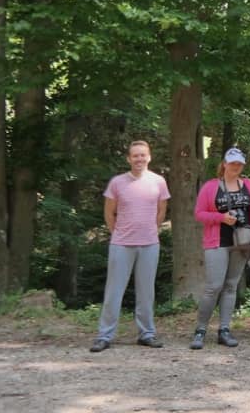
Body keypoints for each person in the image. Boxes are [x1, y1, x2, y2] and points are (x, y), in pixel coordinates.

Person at [89, 140, 170, 352]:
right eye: (135, 156)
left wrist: (153, 228)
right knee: (114, 291)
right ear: (129, 159)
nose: (139, 159)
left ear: (149, 157)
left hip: (150, 244)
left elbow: (162, 209)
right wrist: (117, 232)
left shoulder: (159, 181)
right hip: (122, 244)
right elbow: (109, 212)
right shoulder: (117, 182)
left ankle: (147, 334)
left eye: (143, 155)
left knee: (146, 292)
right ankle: (104, 336)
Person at [190, 147, 250, 349]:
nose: (235, 167)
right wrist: (220, 218)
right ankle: (200, 330)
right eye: (232, 163)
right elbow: (199, 214)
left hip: (243, 242)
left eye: (239, 164)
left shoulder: (248, 186)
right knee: (214, 286)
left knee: (231, 285)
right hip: (217, 241)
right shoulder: (210, 187)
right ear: (224, 164)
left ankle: (224, 330)